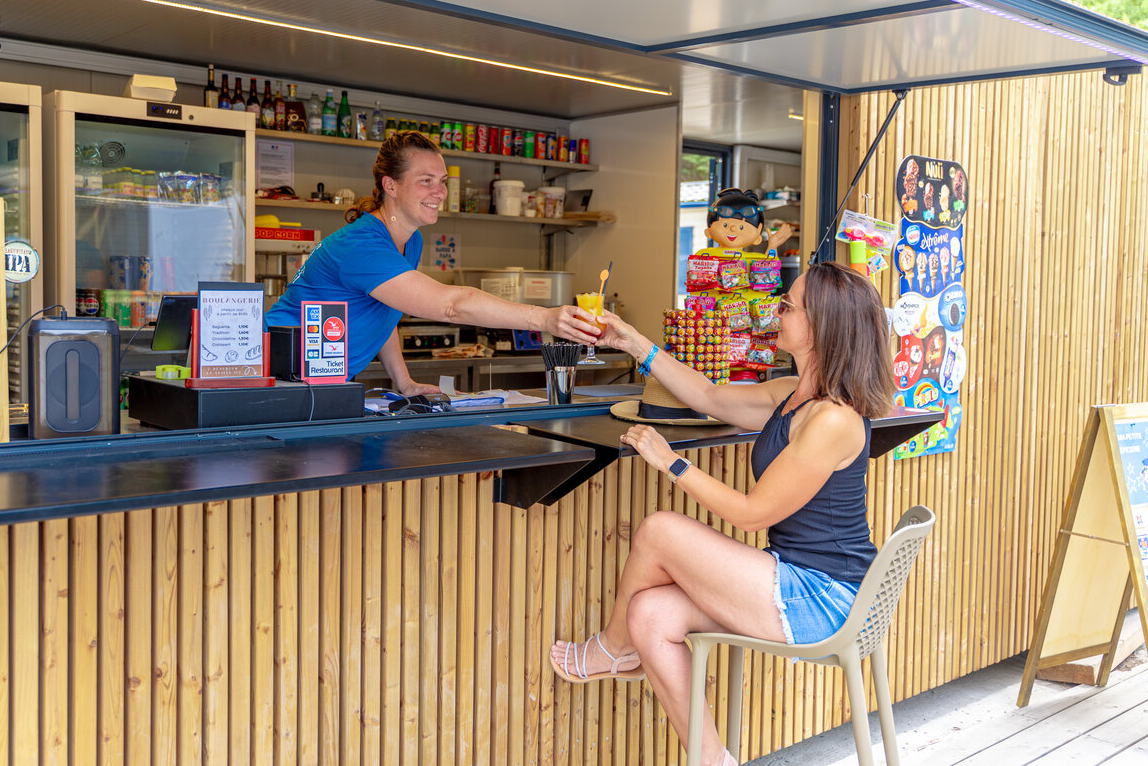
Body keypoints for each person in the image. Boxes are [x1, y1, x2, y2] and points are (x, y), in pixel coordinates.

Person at [548, 262, 893, 766]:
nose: (778, 312)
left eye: (789, 307)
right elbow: (707, 396)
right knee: (650, 614)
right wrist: (633, 342)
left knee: (660, 529)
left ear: (819, 329)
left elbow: (752, 515)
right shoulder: (791, 394)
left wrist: (673, 463)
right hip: (791, 578)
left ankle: (610, 648)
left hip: (826, 598)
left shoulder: (834, 420)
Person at [265, 131, 599, 393]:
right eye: (426, 180)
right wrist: (544, 318)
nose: (439, 192)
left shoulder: (410, 239)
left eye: (442, 182)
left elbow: (382, 314)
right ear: (390, 185)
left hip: (317, 379)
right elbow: (452, 306)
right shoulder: (362, 246)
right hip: (274, 372)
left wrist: (405, 381)